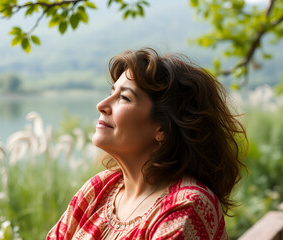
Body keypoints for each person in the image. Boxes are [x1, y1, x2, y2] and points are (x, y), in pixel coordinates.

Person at [46, 48, 247, 240]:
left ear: (162, 128)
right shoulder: (99, 189)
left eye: (124, 98)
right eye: (111, 92)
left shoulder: (186, 206)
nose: (102, 105)